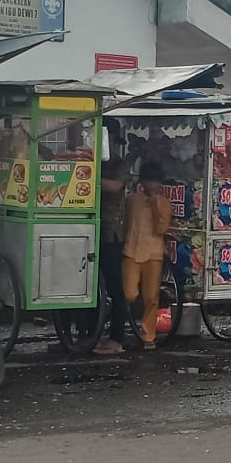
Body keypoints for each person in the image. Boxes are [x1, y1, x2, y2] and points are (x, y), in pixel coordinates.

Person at [123, 162, 172, 351]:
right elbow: (126, 223)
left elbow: (161, 228)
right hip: (131, 251)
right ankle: (132, 319)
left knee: (151, 297)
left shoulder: (164, 203)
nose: (152, 185)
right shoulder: (131, 200)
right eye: (149, 181)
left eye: (155, 182)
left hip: (153, 253)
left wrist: (154, 206)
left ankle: (148, 335)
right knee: (130, 293)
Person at [95, 123, 129, 355]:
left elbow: (116, 185)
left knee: (116, 288)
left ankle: (117, 338)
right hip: (89, 229)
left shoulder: (119, 164)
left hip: (111, 232)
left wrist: (86, 178)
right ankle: (88, 335)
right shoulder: (90, 159)